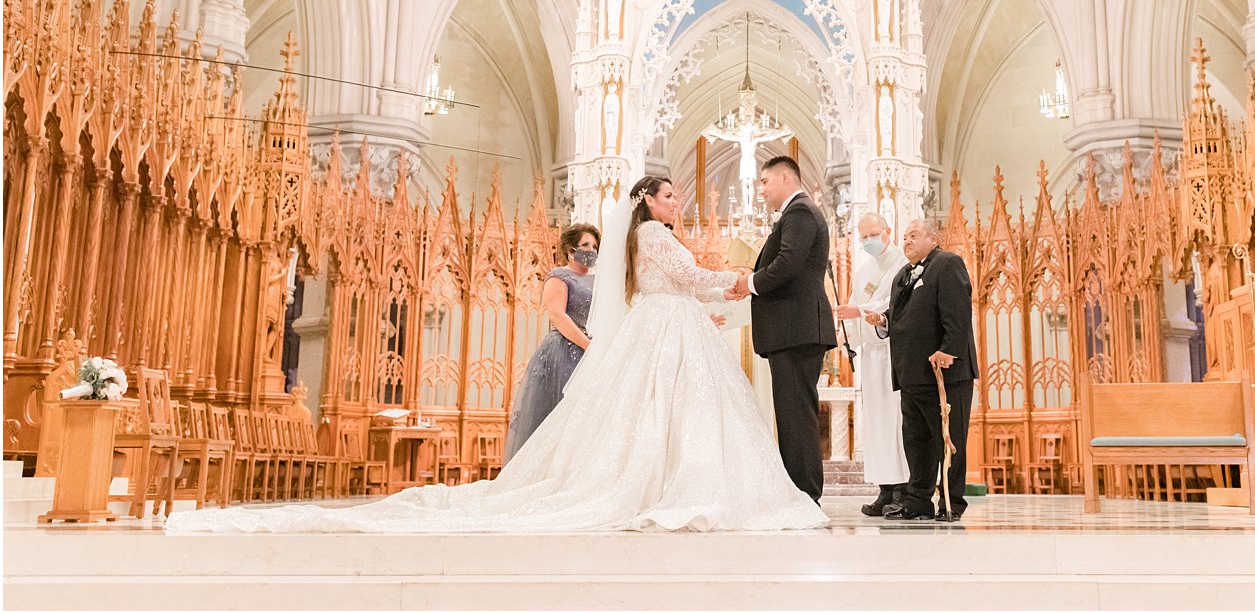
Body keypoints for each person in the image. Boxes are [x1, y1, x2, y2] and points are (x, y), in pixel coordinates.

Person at [166, 175, 826, 534]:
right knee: (666, 415)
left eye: (677, 194)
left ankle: (664, 480)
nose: (678, 200)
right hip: (671, 327)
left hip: (671, 327)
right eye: (669, 192)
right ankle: (668, 487)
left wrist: (738, 281)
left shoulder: (646, 237)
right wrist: (741, 281)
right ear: (647, 202)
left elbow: (688, 279)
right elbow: (690, 278)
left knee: (662, 417)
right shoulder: (656, 235)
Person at [725, 155, 835, 502]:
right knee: (792, 412)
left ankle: (804, 493)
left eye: (764, 181)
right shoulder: (796, 213)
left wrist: (750, 283)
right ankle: (799, 490)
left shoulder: (799, 212)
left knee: (796, 413)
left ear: (785, 178)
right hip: (793, 329)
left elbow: (788, 264)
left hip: (795, 328)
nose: (761, 190)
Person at [863, 219, 977, 522]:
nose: (907, 241)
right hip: (911, 373)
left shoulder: (947, 264)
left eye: (914, 235)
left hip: (945, 373)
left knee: (948, 439)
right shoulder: (903, 274)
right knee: (916, 440)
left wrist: (949, 350)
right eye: (905, 237)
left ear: (932, 238)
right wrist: (883, 320)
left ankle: (951, 502)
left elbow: (958, 312)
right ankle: (918, 501)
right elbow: (899, 315)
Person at [833, 212, 910, 516]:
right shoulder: (863, 269)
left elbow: (892, 306)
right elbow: (854, 304)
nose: (867, 241)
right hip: (871, 356)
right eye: (863, 237)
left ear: (887, 232)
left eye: (872, 235)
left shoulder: (901, 264)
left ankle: (903, 490)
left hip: (893, 351)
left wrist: (859, 311)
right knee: (876, 425)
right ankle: (884, 490)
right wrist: (849, 336)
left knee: (895, 423)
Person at [503, 223, 599, 460]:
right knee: (557, 412)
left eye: (595, 246)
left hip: (593, 352)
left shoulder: (600, 280)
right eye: (585, 245)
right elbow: (557, 315)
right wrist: (588, 346)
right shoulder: (560, 276)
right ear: (570, 249)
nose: (591, 250)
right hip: (564, 351)